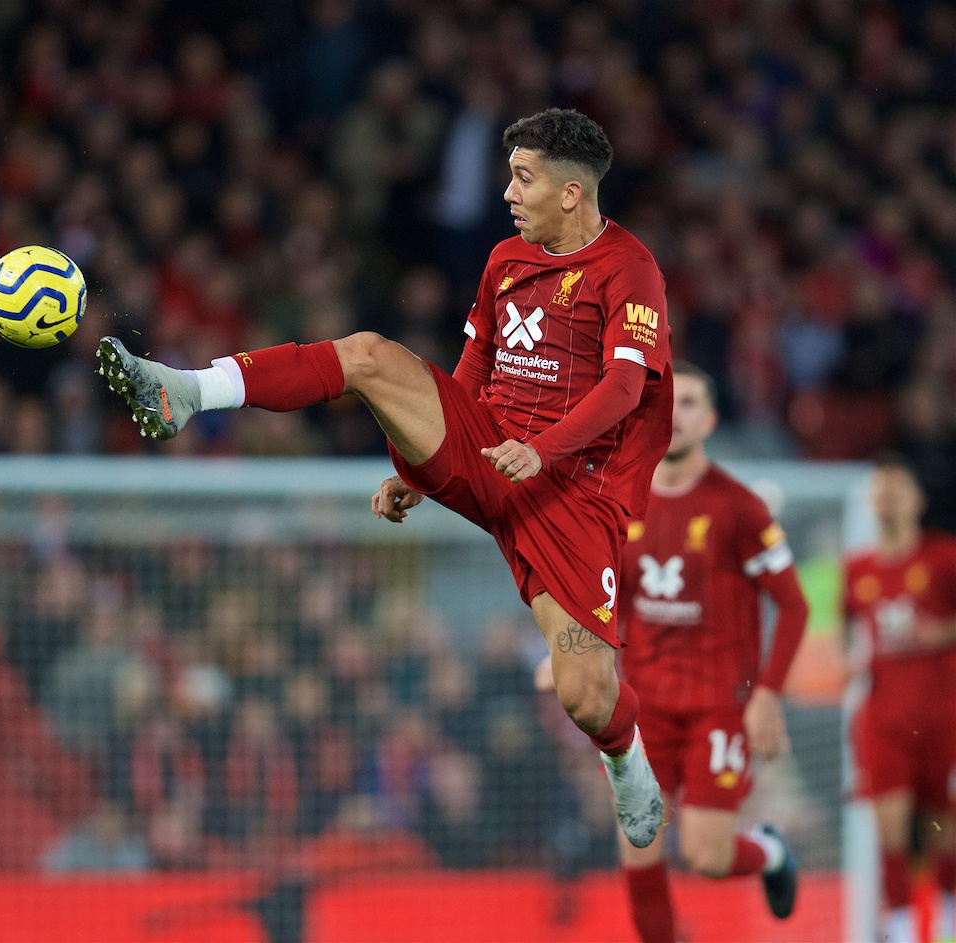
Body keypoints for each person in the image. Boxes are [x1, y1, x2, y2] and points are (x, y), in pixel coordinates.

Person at [97, 107, 672, 849]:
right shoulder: (505, 260)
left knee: (585, 695)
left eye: (522, 178)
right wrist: (425, 460)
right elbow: (473, 372)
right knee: (368, 354)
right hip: (493, 450)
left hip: (573, 493)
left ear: (570, 193)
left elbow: (626, 389)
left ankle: (627, 760)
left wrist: (547, 449)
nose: (506, 193)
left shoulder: (631, 269)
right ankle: (185, 390)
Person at [534, 362, 807, 940]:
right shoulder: (618, 503)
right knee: (640, 847)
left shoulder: (739, 508)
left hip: (718, 705)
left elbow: (795, 606)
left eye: (690, 405)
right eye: (667, 404)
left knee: (706, 856)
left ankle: (770, 853)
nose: (676, 416)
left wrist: (769, 696)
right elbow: (604, 599)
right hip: (646, 707)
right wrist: (568, 652)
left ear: (708, 420)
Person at [842, 452, 956, 943]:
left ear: (917, 501)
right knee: (889, 825)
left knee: (941, 824)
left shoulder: (945, 557)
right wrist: (844, 661)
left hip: (943, 712)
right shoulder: (856, 569)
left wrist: (942, 632)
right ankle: (903, 927)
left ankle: (948, 916)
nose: (887, 500)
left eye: (897, 491)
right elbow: (844, 635)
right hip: (884, 715)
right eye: (880, 492)